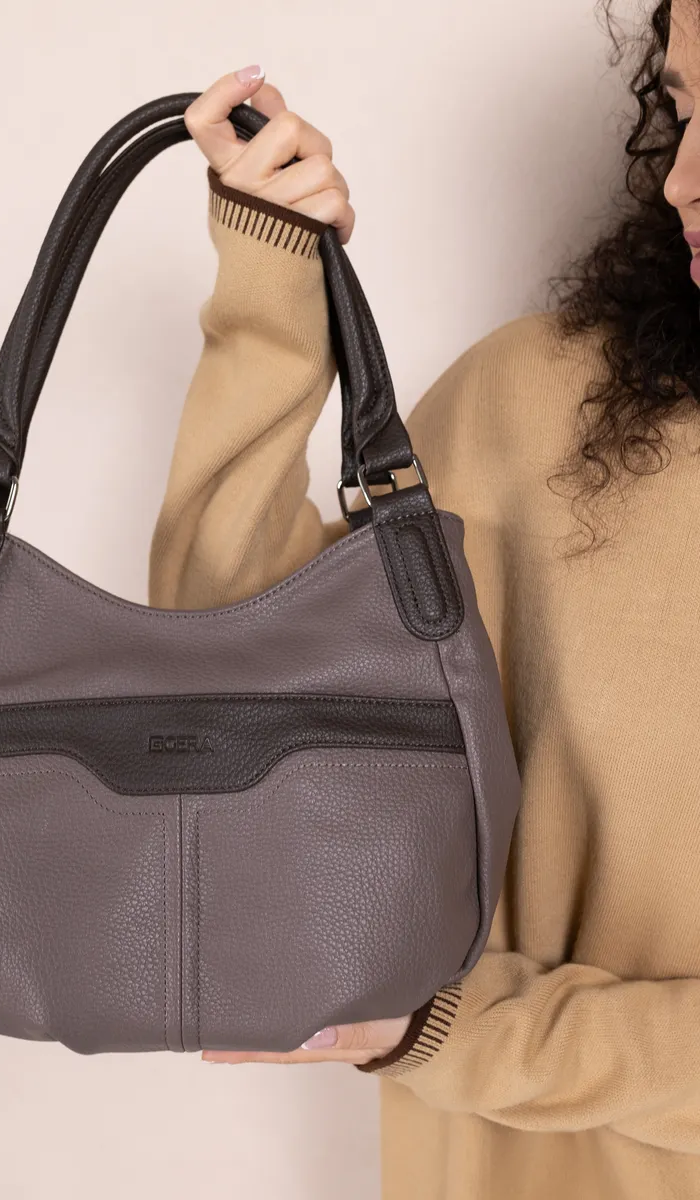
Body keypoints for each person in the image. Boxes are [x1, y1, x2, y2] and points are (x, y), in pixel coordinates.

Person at [148, 2, 700, 1197]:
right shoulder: (542, 409)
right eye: (685, 106)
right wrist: (275, 290)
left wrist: (453, 1028)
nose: (683, 180)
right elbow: (233, 686)